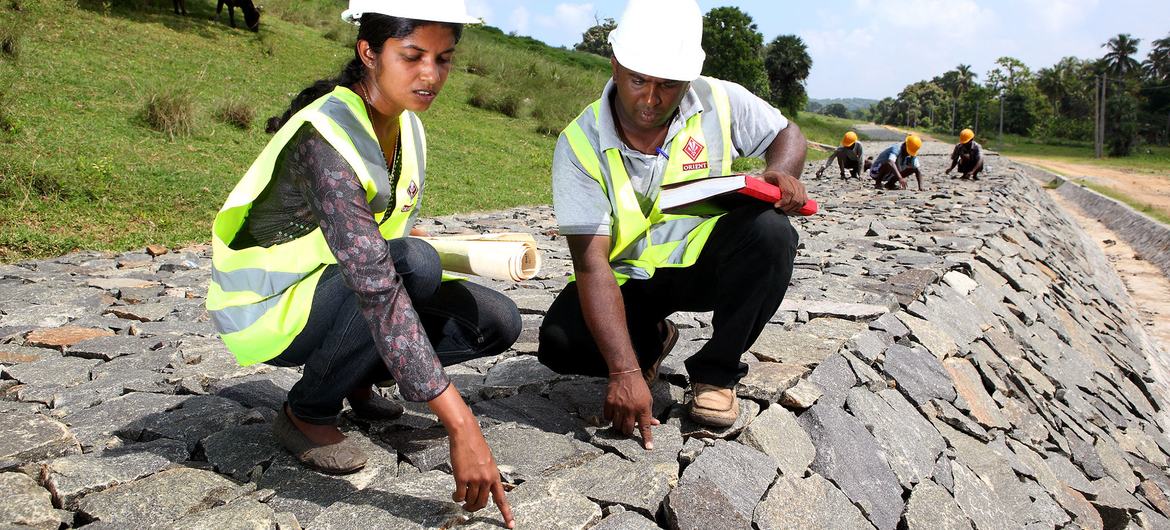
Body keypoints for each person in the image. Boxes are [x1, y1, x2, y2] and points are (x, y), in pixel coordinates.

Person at [206, 2, 517, 526]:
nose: (430, 75)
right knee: (412, 265)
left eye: (443, 59)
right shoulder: (323, 138)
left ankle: (353, 374)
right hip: (269, 311)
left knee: (495, 321)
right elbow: (378, 282)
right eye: (412, 55)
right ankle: (306, 411)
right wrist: (461, 426)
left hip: (339, 291)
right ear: (368, 52)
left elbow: (385, 236)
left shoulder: (406, 125)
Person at [537, 0, 805, 448]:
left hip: (705, 265)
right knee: (561, 342)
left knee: (772, 234)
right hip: (628, 278)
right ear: (616, 64)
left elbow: (787, 133)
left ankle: (716, 373)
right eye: (638, 79)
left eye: (668, 85)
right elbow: (592, 266)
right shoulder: (578, 142)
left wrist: (784, 171)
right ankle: (651, 340)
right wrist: (622, 370)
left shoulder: (718, 98)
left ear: (689, 78)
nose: (650, 97)